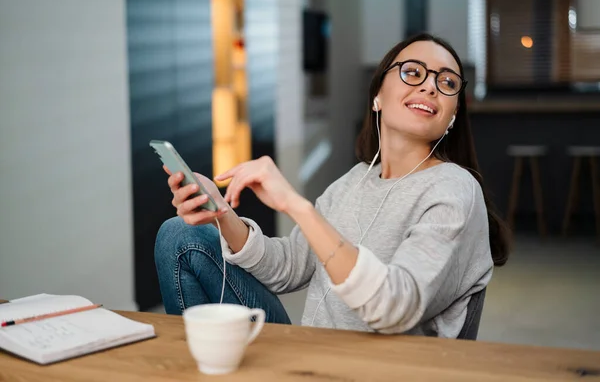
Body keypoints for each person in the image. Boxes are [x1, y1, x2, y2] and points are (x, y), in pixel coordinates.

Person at [154, 33, 511, 337]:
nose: (430, 86)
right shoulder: (354, 182)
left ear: (452, 116)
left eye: (447, 82)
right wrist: (221, 214)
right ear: (377, 97)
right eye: (413, 72)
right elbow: (289, 269)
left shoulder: (454, 188)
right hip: (314, 353)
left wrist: (298, 206)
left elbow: (393, 306)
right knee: (180, 236)